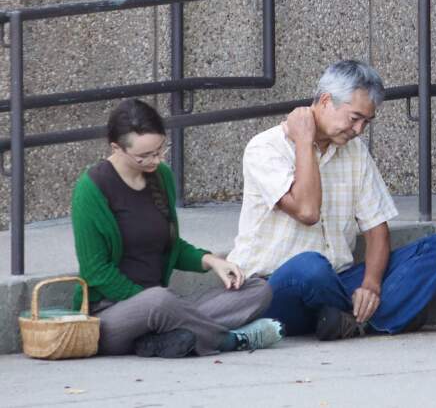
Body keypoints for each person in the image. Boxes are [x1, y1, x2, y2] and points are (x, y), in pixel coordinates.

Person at [227, 60, 436, 340]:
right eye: (354, 118)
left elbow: (376, 228)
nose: (359, 130)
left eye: (366, 122)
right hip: (274, 287)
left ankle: (348, 320)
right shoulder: (264, 147)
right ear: (325, 101)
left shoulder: (354, 151)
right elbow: (307, 211)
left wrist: (370, 286)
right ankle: (385, 315)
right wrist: (304, 141)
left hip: (335, 282)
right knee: (310, 266)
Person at [71, 98, 283, 357]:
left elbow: (171, 245)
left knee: (257, 289)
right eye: (144, 156)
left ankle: (168, 339)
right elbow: (96, 272)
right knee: (160, 302)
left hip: (165, 305)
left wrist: (213, 261)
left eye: (160, 150)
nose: (155, 160)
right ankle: (229, 339)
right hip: (110, 315)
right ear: (116, 148)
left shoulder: (161, 177)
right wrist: (154, 302)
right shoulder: (91, 189)